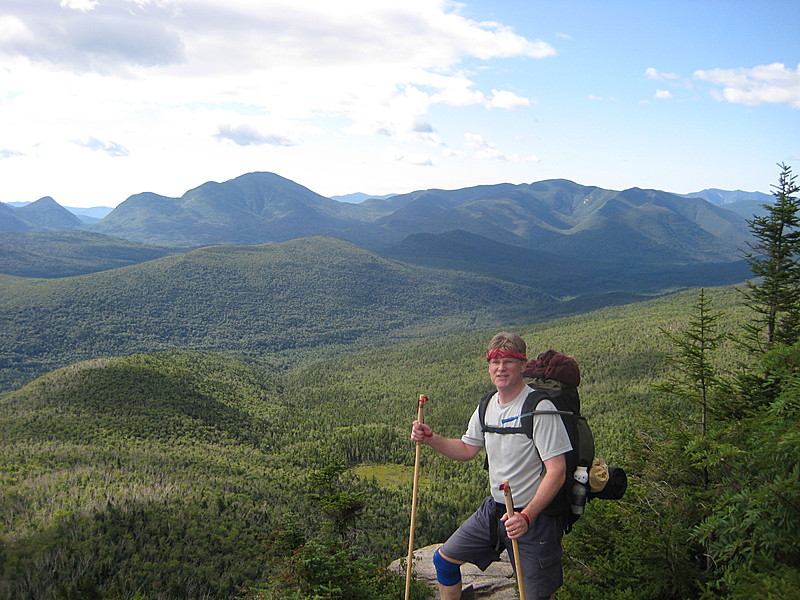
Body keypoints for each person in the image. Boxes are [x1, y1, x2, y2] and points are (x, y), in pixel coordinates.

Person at [410, 332, 572, 600]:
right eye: (495, 362)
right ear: (488, 366)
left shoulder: (540, 408)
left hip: (533, 516)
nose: (501, 368)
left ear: (523, 365)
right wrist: (431, 439)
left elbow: (557, 471)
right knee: (444, 560)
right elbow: (466, 449)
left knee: (536, 595)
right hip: (495, 509)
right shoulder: (486, 406)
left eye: (509, 361)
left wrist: (526, 516)